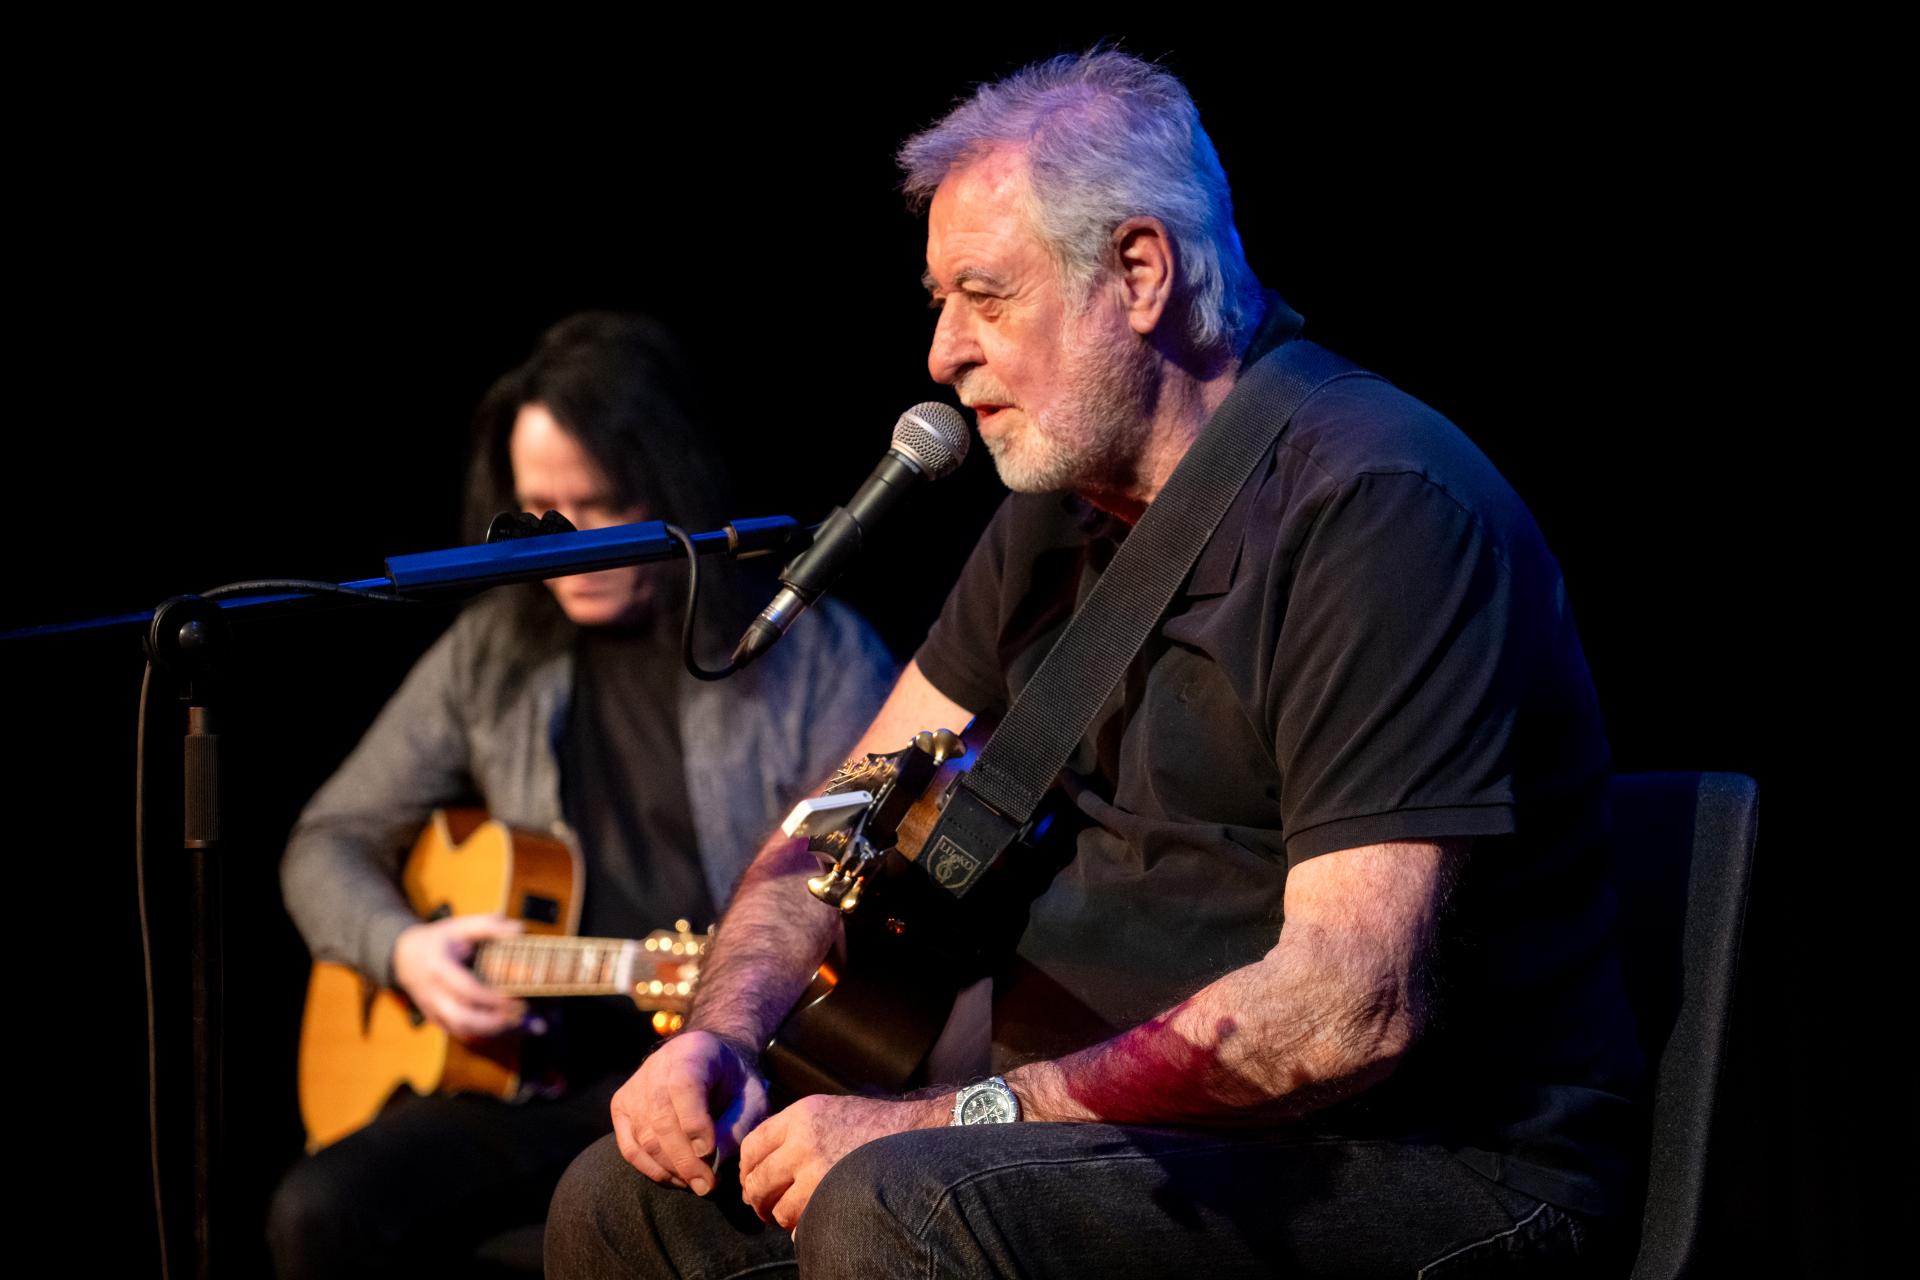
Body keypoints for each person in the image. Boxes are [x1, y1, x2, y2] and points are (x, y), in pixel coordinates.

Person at [547, 53, 1642, 1279]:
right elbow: (830, 820)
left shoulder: (1379, 505)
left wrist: (961, 1117)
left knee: (899, 1204)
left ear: (1139, 272)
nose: (942, 353)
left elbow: (1351, 1003)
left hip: (1416, 1157)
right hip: (1095, 1143)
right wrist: (721, 1034)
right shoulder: (1052, 517)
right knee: (627, 1202)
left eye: (984, 296)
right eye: (939, 300)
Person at [268, 312, 896, 1278]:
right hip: (533, 1084)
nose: (564, 543)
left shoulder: (813, 658)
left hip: (722, 1083)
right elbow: (329, 837)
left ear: (670, 491)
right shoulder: (493, 652)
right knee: (318, 1212)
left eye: (596, 506)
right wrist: (401, 950)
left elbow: (879, 890)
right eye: (538, 509)